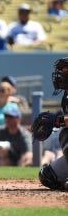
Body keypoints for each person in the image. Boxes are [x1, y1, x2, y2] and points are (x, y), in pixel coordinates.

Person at [34, 57, 68, 190]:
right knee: (48, 176)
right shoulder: (66, 96)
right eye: (62, 73)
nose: (61, 77)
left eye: (66, 73)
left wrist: (58, 121)